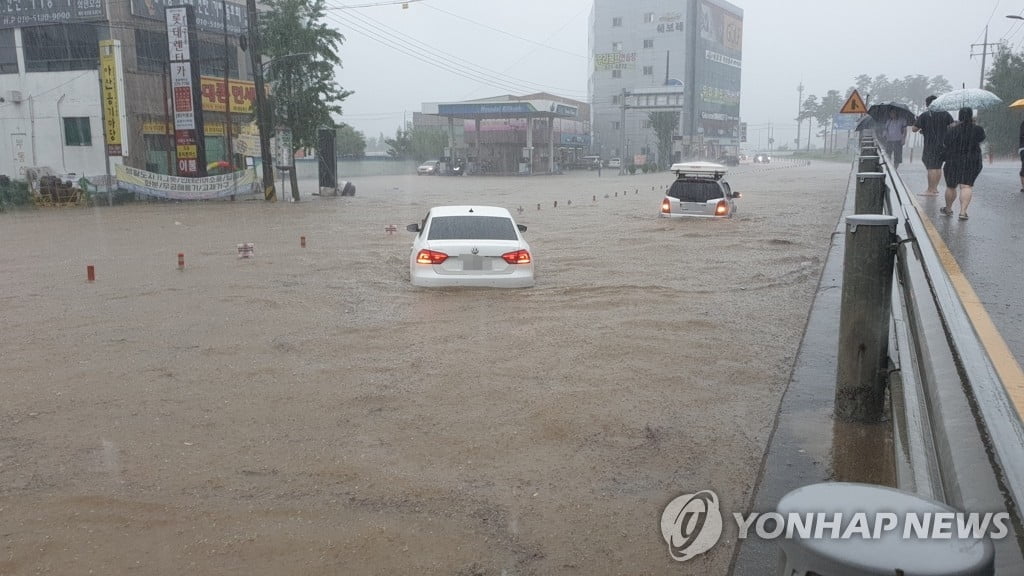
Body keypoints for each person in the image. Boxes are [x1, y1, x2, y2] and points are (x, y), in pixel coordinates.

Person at [940, 108, 986, 221]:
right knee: (966, 186)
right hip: (972, 160)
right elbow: (981, 139)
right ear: (971, 116)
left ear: (959, 116)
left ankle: (949, 208)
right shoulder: (977, 129)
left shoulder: (951, 130)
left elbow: (945, 142)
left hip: (953, 160)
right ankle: (963, 211)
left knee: (951, 186)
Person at [911, 95, 954, 195]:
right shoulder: (945, 114)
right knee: (938, 167)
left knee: (931, 167)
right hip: (943, 145)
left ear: (928, 104)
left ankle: (930, 189)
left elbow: (914, 129)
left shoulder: (925, 115)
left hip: (930, 146)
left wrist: (920, 124)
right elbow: (952, 127)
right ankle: (935, 188)